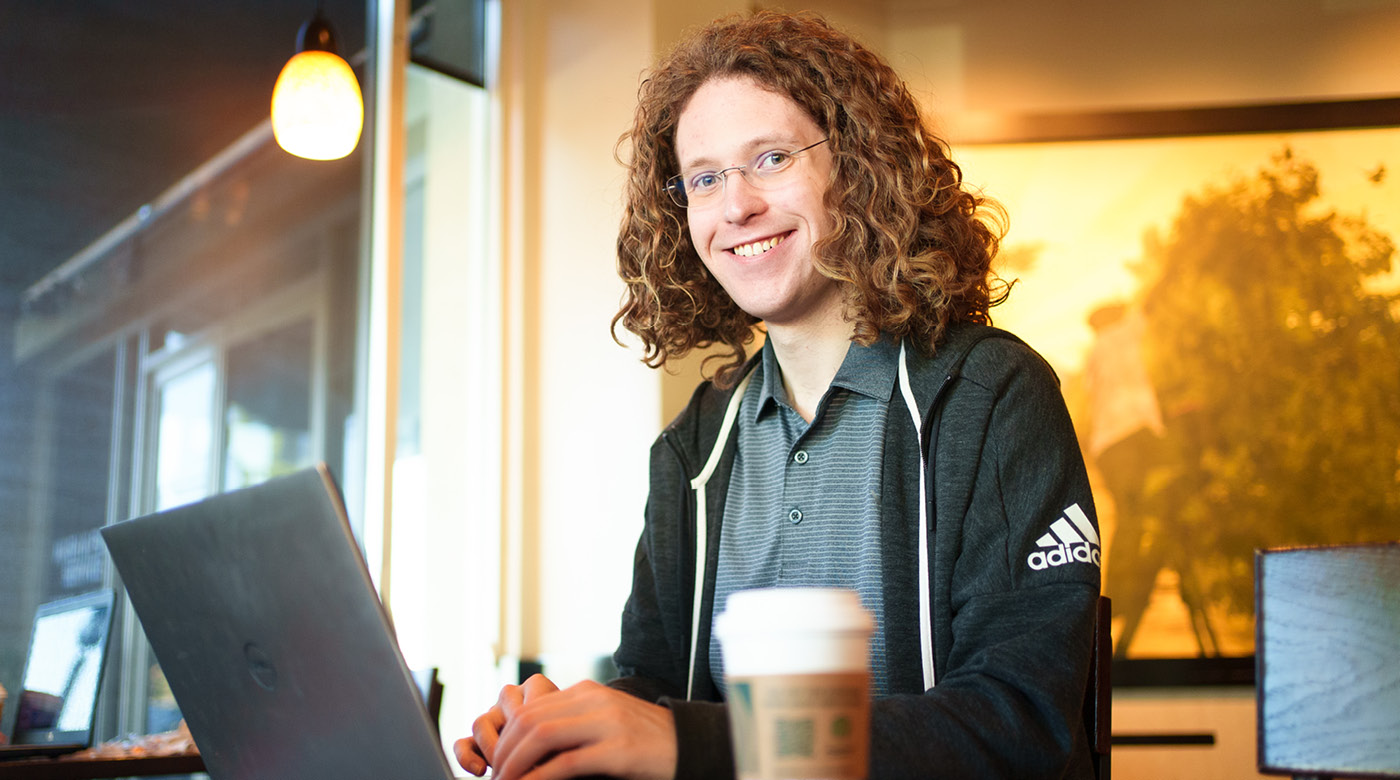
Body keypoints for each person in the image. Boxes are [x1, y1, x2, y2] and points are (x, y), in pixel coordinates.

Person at [456, 10, 1101, 780]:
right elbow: (660, 689)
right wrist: (566, 727)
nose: (736, 207)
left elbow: (1022, 725)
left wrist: (687, 744)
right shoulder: (693, 448)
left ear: (859, 168)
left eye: (769, 159)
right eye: (704, 178)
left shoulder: (991, 398)